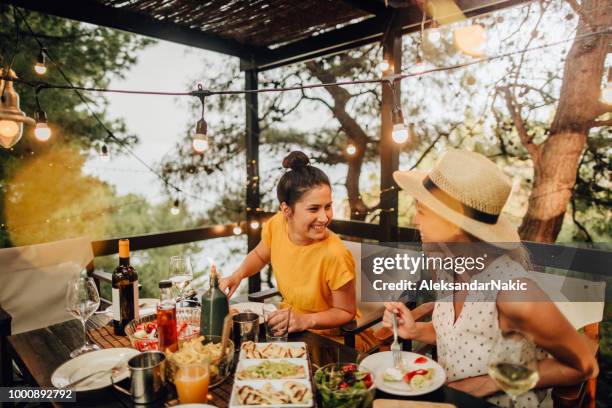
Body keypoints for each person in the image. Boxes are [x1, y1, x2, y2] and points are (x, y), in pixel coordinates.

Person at [384, 149, 598, 408]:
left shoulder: (514, 293)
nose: (415, 220)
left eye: (423, 211)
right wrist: (416, 330)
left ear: (453, 224)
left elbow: (583, 364)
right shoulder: (448, 268)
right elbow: (461, 339)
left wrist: (487, 383)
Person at [220, 151, 377, 350]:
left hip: (332, 340)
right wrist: (238, 275)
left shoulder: (335, 254)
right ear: (286, 211)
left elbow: (345, 312)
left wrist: (305, 320)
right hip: (290, 326)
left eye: (328, 207)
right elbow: (260, 254)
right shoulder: (277, 224)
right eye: (314, 209)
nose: (324, 217)